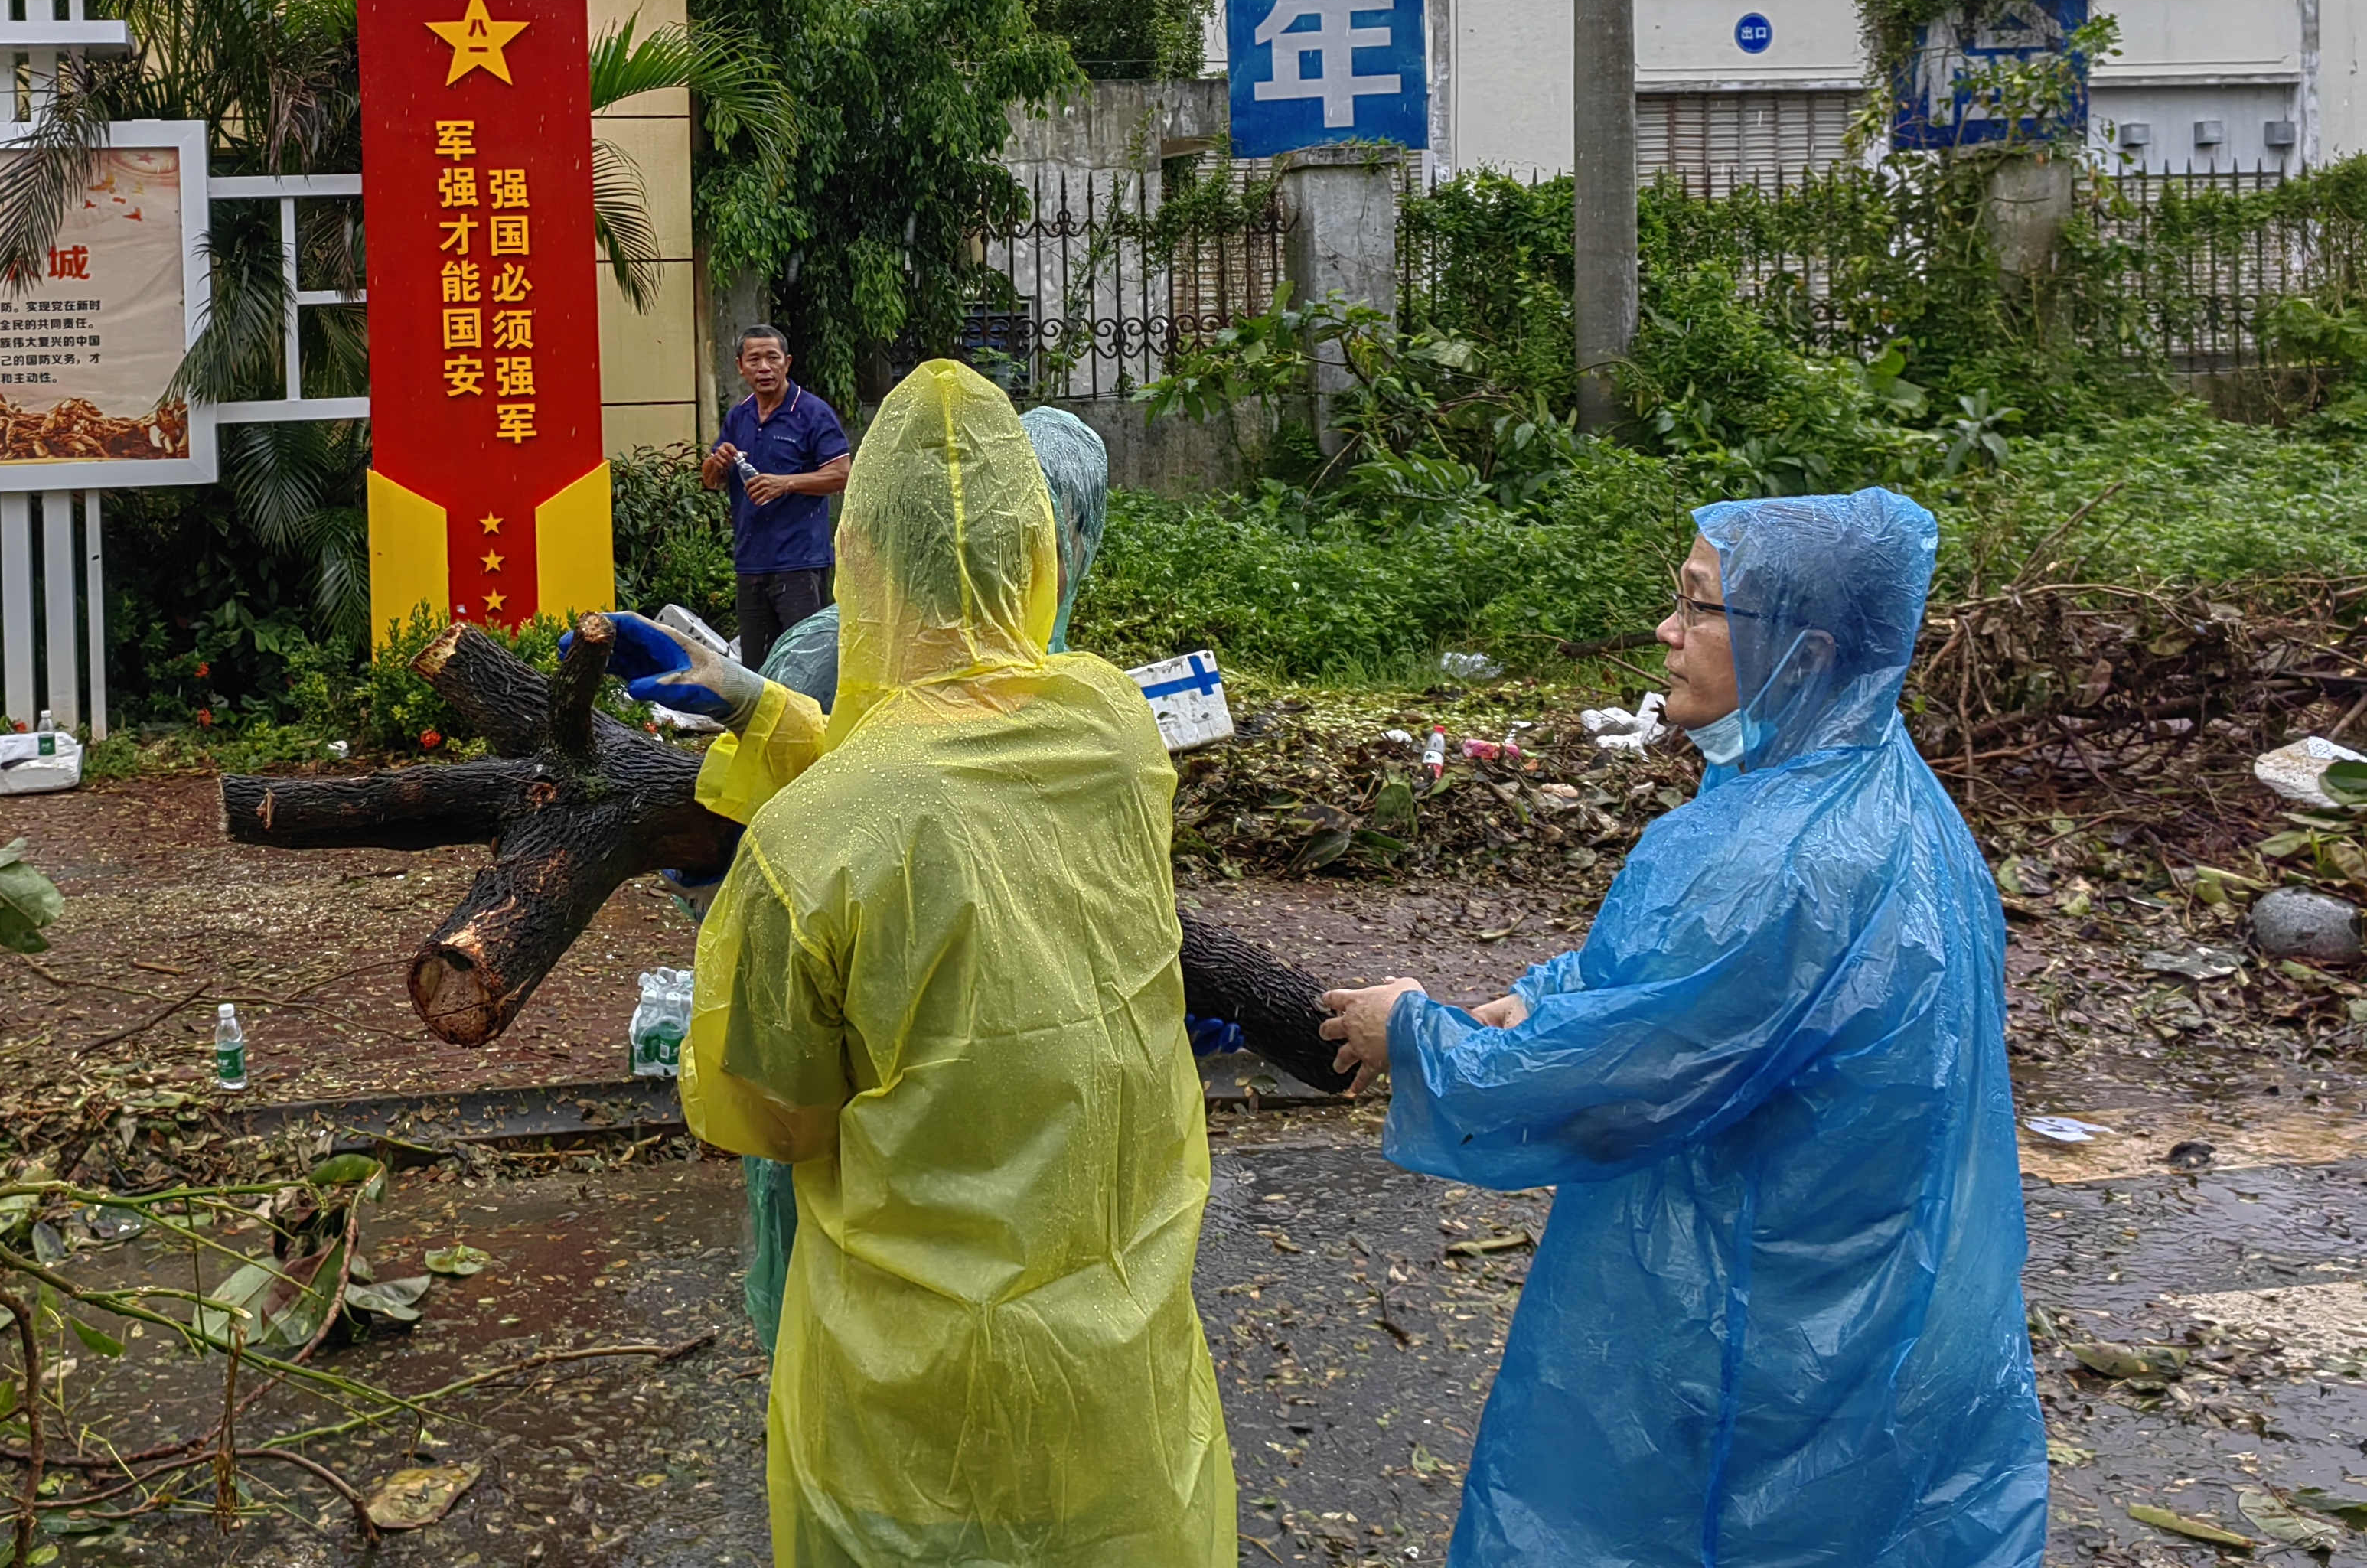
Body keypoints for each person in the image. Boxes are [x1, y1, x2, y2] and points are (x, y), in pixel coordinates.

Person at [1317, 490, 2046, 1568]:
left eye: (1700, 608)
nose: (1666, 630)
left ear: (1802, 656)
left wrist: (1422, 1037)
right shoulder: (1885, 798)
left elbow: (1628, 1081)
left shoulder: (1781, 856)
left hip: (1775, 1338)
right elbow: (1695, 996)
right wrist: (1558, 996)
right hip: (1890, 1322)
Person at [663, 361, 1234, 1565]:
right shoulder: (1116, 734)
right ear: (1043, 557)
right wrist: (765, 713)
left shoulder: (805, 847)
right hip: (1115, 1402)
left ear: (856, 562)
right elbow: (950, 775)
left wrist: (770, 724)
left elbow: (769, 1114)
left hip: (908, 1423)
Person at [701, 323, 852, 670]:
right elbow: (710, 481)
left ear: (787, 362)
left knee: (804, 667)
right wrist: (717, 462)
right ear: (740, 366)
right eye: (754, 360)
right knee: (758, 669)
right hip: (750, 562)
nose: (764, 368)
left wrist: (786, 484)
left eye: (772, 358)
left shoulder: (812, 413)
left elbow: (843, 474)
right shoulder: (739, 416)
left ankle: (814, 726)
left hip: (799, 563)